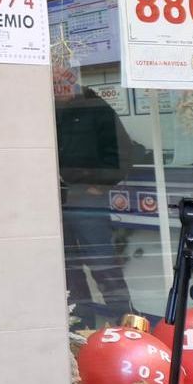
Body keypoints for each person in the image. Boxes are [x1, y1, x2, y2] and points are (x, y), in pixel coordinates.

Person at [56, 85, 137, 320]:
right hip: (54, 200)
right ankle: (81, 325)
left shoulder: (94, 107)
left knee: (103, 264)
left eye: (60, 81)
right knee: (68, 270)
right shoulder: (45, 110)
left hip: (86, 199)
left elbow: (123, 152)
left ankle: (125, 325)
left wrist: (99, 185)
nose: (56, 87)